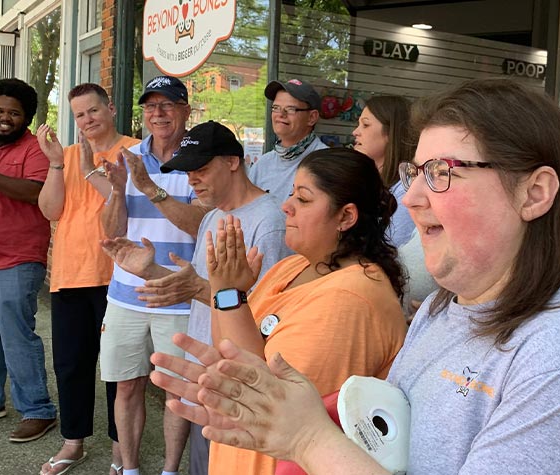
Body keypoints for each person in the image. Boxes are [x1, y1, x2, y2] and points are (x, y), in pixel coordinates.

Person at [152, 79, 560, 474]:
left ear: (534, 193)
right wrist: (291, 411)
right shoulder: (447, 307)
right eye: (416, 173)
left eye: (442, 172)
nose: (415, 198)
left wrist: (308, 439)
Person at [160, 147, 407, 475]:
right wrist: (227, 293)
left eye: (303, 199)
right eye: (291, 194)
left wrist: (229, 292)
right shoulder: (292, 266)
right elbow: (227, 352)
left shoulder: (352, 298)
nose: (286, 206)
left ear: (346, 217)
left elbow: (262, 393)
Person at [102, 120, 292, 475]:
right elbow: (202, 287)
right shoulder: (214, 215)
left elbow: (266, 314)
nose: (192, 180)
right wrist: (152, 271)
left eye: (201, 168)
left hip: (241, 387)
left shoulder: (268, 222)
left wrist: (192, 287)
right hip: (211, 380)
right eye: (187, 171)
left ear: (233, 161)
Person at [100, 76, 208, 475]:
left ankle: (169, 470)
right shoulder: (128, 156)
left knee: (174, 390)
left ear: (185, 111)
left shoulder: (199, 160)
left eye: (167, 105)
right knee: (126, 385)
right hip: (125, 295)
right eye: (150, 106)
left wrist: (149, 188)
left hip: (179, 296)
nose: (158, 113)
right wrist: (117, 191)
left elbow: (201, 226)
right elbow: (112, 233)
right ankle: (128, 468)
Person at [35, 83, 138, 475]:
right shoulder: (68, 156)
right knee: (71, 365)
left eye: (93, 110)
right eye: (79, 114)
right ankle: (73, 443)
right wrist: (56, 164)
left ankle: (119, 449)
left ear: (110, 108)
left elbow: (129, 206)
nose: (87, 119)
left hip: (118, 276)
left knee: (119, 369)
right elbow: (50, 209)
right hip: (69, 275)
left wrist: (92, 168)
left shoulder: (132, 151)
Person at [0, 78, 57, 443]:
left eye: (13, 112)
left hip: (16, 258)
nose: (5, 118)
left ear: (26, 117)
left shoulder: (35, 150)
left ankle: (37, 409)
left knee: (16, 337)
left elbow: (35, 193)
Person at [247, 79, 328, 204]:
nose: (281, 114)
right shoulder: (263, 165)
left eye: (290, 109)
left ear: (312, 117)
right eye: (276, 108)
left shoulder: (325, 163)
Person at [352, 95, 415, 247]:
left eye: (365, 125)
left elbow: (392, 251)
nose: (355, 132)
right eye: (358, 124)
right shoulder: (364, 180)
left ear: (391, 133)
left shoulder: (406, 189)